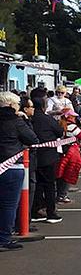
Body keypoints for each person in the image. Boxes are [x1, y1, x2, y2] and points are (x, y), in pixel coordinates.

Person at [0, 92, 39, 250]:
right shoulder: (16, 121)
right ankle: (4, 238)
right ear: (11, 105)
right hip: (12, 166)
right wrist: (25, 119)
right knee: (9, 205)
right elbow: (32, 139)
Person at [30, 88, 63, 224]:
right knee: (49, 185)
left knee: (35, 185)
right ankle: (50, 212)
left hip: (32, 157)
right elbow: (60, 132)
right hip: (48, 157)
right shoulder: (47, 119)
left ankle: (35, 211)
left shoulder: (29, 120)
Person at [55, 108, 81, 203]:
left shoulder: (58, 124)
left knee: (60, 172)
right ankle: (62, 194)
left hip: (61, 150)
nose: (74, 118)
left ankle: (59, 193)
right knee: (69, 172)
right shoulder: (72, 126)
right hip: (71, 151)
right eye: (73, 116)